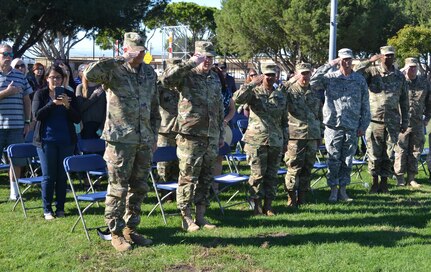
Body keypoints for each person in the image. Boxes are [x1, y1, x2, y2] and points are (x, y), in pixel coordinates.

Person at [84, 32, 160, 251]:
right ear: (126, 50)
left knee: (139, 187)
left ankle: (131, 229)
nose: (140, 53)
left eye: (142, 49)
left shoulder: (148, 73)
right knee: (118, 188)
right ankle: (115, 232)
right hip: (120, 140)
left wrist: (154, 134)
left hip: (144, 139)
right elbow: (89, 74)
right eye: (135, 50)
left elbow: (154, 106)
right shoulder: (114, 70)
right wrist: (120, 59)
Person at [161, 41, 224, 232]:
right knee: (188, 177)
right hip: (190, 135)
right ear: (196, 56)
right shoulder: (186, 75)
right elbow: (166, 80)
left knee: (205, 177)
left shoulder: (214, 78)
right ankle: (185, 217)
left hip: (210, 135)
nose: (208, 61)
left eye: (211, 57)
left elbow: (219, 106)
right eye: (204, 57)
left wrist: (220, 131)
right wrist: (189, 63)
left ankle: (200, 216)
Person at [311, 48, 370, 202]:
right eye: (343, 59)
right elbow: (313, 81)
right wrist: (329, 64)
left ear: (352, 60)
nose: (347, 62)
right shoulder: (329, 78)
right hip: (333, 126)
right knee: (333, 159)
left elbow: (365, 104)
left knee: (347, 159)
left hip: (352, 126)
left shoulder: (359, 80)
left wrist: (363, 126)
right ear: (339, 60)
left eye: (349, 59)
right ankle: (333, 190)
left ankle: (343, 191)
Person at [233, 63, 288, 216]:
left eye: (272, 75)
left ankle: (268, 206)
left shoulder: (280, 95)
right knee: (257, 175)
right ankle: (256, 206)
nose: (270, 78)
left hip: (276, 140)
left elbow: (284, 121)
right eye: (267, 75)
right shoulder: (254, 92)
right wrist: (251, 84)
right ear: (262, 75)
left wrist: (285, 141)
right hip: (256, 140)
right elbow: (236, 99)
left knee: (272, 175)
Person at [354, 45, 409, 194]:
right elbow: (355, 72)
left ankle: (384, 183)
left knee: (388, 154)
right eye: (385, 55)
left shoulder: (399, 76)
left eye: (391, 55)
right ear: (381, 56)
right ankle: (374, 182)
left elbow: (404, 100)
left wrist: (405, 121)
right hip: (374, 120)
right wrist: (369, 61)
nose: (388, 58)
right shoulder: (372, 72)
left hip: (392, 121)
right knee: (374, 154)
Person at [32, 65, 81, 220]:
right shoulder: (41, 94)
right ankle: (47, 209)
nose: (55, 80)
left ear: (63, 79)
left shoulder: (68, 94)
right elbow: (37, 115)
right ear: (46, 79)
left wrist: (67, 106)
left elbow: (77, 118)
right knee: (48, 176)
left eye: (58, 77)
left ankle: (60, 208)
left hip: (66, 141)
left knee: (62, 176)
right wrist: (53, 103)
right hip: (46, 141)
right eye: (52, 77)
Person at [284, 63, 322, 206]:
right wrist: (291, 80)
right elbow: (279, 91)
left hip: (312, 135)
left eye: (307, 73)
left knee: (307, 167)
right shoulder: (290, 91)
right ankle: (291, 197)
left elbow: (319, 114)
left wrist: (320, 134)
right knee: (294, 167)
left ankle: (303, 197)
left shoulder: (314, 92)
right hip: (295, 135)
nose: (305, 76)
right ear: (296, 74)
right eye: (302, 73)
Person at [0, 44, 33, 201]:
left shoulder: (20, 76)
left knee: (17, 160)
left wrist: (27, 121)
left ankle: (14, 193)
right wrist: (7, 92)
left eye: (10, 54)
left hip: (17, 126)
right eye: (4, 53)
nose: (8, 56)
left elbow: (27, 100)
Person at [394, 57, 431, 187]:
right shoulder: (400, 81)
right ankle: (399, 178)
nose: (413, 69)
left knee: (416, 150)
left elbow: (429, 102)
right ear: (405, 68)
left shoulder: (424, 82)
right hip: (402, 123)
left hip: (417, 123)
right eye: (410, 67)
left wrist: (427, 118)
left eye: (415, 67)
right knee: (401, 150)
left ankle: (411, 178)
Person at [157, 58, 180, 200]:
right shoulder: (161, 85)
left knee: (178, 163)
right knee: (164, 164)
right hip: (165, 131)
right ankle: (164, 194)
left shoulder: (183, 85)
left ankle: (176, 193)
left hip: (181, 130)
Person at [212, 65, 235, 181]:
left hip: (223, 129)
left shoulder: (225, 92)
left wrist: (226, 120)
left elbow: (232, 109)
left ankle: (215, 187)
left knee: (218, 158)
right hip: (207, 129)